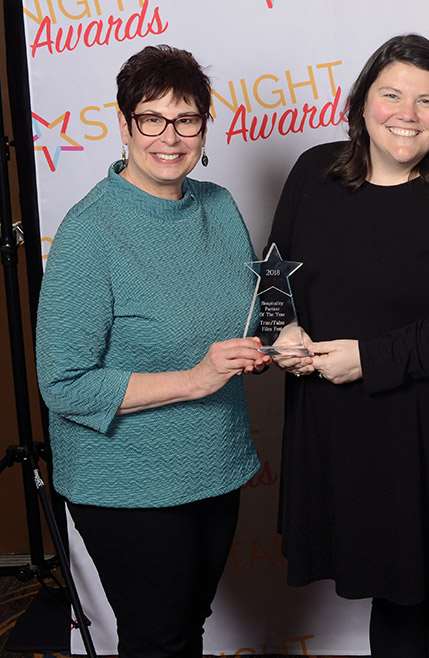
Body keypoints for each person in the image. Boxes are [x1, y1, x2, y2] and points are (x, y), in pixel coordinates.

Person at [268, 34, 429, 657]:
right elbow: (275, 284)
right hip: (355, 435)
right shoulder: (313, 174)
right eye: (391, 95)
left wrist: (370, 357)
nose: (407, 114)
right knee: (392, 600)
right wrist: (281, 331)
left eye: (427, 100)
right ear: (361, 101)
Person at [35, 45, 266, 657]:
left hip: (215, 463)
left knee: (187, 627)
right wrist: (195, 378)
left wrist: (282, 338)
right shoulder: (90, 232)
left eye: (186, 119)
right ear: (124, 124)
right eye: (151, 119)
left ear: (204, 128)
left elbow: (249, 314)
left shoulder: (219, 206)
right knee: (157, 639)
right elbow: (63, 383)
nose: (170, 136)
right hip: (126, 481)